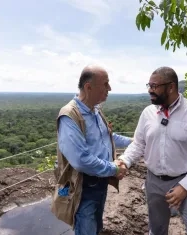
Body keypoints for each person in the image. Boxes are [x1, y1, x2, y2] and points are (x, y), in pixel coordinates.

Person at [117, 66, 187, 235]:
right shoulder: (148, 113)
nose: (150, 90)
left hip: (186, 181)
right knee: (157, 230)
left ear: (171, 87)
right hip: (153, 182)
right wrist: (124, 160)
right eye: (149, 85)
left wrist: (185, 187)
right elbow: (139, 143)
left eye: (154, 86)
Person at [51, 65, 133, 235]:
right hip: (83, 187)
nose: (109, 88)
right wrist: (115, 168)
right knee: (86, 229)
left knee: (95, 227)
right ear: (89, 87)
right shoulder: (69, 116)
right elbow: (81, 160)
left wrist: (135, 142)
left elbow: (108, 136)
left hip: (100, 181)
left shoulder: (95, 111)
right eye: (105, 84)